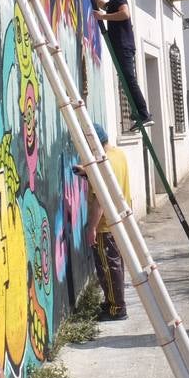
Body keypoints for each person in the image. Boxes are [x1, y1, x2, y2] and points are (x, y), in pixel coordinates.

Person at [84, 0, 152, 127]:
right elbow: (105, 5)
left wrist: (103, 17)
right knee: (126, 79)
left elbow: (125, 14)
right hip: (122, 45)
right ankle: (139, 112)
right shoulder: (113, 0)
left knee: (129, 78)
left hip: (123, 45)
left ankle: (143, 113)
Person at [81, 123, 131, 321]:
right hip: (120, 221)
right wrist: (87, 173)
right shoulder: (118, 155)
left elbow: (101, 200)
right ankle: (113, 302)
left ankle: (116, 309)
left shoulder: (101, 164)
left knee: (108, 268)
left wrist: (92, 227)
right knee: (116, 265)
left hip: (105, 225)